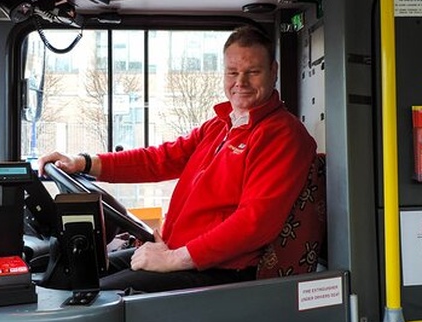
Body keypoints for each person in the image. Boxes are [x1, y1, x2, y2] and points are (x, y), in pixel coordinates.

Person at [36, 25, 316, 292]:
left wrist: (174, 259)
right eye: (232, 72)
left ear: (273, 71)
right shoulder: (219, 126)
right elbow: (159, 159)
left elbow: (254, 223)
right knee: (71, 275)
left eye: (252, 72)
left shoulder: (283, 135)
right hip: (177, 252)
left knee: (93, 301)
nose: (240, 82)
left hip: (219, 270)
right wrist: (84, 163)